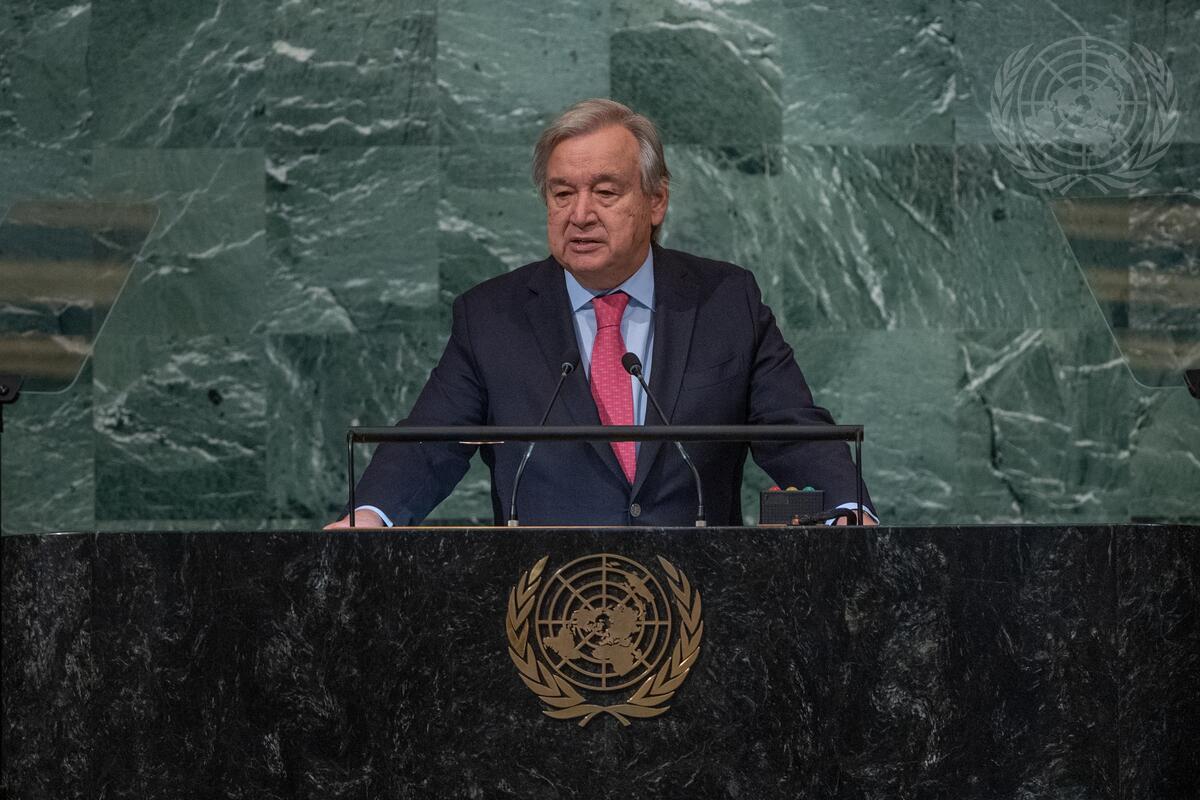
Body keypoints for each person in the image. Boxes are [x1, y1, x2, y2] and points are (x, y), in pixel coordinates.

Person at [327, 99, 875, 529]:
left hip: (700, 602)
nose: (580, 214)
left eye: (605, 192)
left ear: (656, 201)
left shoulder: (724, 301)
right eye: (562, 193)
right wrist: (370, 516)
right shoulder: (492, 317)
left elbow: (793, 430)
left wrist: (848, 511)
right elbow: (428, 444)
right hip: (547, 608)